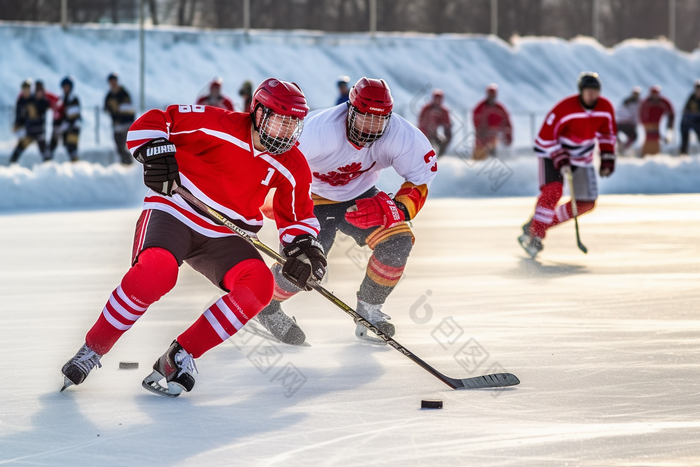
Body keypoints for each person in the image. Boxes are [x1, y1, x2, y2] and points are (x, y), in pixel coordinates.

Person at [60, 78, 325, 398]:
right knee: (156, 273)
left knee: (259, 285)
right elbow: (155, 121)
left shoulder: (293, 165)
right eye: (279, 121)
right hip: (175, 211)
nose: (285, 132)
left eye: (293, 125)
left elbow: (297, 216)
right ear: (257, 112)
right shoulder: (216, 124)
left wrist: (304, 250)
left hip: (225, 233)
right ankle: (93, 349)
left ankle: (179, 356)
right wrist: (155, 153)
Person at [255, 77, 438, 346]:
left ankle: (369, 310)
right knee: (306, 263)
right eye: (365, 118)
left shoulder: (402, 135)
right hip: (311, 195)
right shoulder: (317, 130)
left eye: (379, 121)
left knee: (398, 242)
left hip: (361, 195)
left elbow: (421, 176)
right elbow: (275, 163)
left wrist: (398, 208)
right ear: (350, 109)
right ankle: (263, 305)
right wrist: (270, 198)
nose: (372, 128)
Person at [518, 72, 617, 259]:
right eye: (588, 91)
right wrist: (559, 156)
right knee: (553, 190)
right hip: (551, 154)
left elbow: (607, 134)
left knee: (586, 203)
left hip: (582, 158)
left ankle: (537, 224)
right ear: (581, 91)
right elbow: (543, 137)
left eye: (595, 91)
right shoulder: (565, 108)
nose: (592, 96)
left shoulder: (605, 108)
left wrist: (607, 157)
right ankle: (535, 235)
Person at [9, 79, 51, 164]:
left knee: (46, 156)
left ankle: (50, 172)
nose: (26, 91)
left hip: (39, 132)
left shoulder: (36, 99)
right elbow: (19, 116)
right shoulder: (20, 101)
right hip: (28, 132)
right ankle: (12, 170)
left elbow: (45, 105)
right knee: (17, 152)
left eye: (27, 89)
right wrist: (17, 125)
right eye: (24, 89)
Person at [472, 84, 512, 160]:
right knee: (478, 162)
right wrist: (481, 131)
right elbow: (476, 120)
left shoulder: (499, 108)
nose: (492, 96)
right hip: (481, 140)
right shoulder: (481, 107)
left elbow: (507, 122)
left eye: (493, 94)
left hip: (494, 139)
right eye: (490, 94)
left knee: (492, 159)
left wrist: (508, 135)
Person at [46, 77, 81, 162]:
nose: (65, 89)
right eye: (64, 87)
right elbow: (57, 114)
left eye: (67, 87)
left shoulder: (74, 99)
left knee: (72, 148)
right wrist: (57, 126)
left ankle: (76, 167)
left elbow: (74, 116)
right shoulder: (60, 99)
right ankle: (47, 163)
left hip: (73, 128)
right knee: (52, 144)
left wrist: (65, 125)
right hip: (62, 127)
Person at [104, 73, 136, 164]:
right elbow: (106, 108)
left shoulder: (123, 93)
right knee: (119, 145)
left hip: (126, 123)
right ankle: (125, 162)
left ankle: (130, 162)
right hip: (117, 124)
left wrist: (119, 116)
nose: (112, 83)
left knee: (127, 144)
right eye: (111, 82)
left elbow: (128, 109)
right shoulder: (109, 95)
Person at [639, 85, 674, 156]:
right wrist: (645, 123)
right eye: (653, 94)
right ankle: (645, 154)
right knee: (649, 138)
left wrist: (670, 124)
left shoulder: (663, 102)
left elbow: (671, 113)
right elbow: (641, 113)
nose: (655, 95)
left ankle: (656, 155)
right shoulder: (647, 101)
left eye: (656, 94)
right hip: (649, 124)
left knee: (657, 138)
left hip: (660, 123)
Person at [418, 89, 452, 157]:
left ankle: (438, 158)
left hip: (434, 134)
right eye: (436, 98)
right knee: (423, 148)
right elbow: (421, 121)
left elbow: (447, 123)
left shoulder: (443, 111)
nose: (437, 100)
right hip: (423, 133)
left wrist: (447, 131)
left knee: (442, 144)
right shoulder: (426, 109)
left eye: (439, 98)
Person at [615, 86, 641, 156]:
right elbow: (619, 111)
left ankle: (623, 147)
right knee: (633, 135)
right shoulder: (627, 102)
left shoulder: (640, 103)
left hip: (628, 124)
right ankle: (621, 146)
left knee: (633, 136)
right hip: (626, 123)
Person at [680, 80, 700, 155]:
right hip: (689, 120)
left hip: (698, 121)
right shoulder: (691, 97)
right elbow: (685, 110)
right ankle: (683, 153)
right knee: (684, 130)